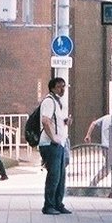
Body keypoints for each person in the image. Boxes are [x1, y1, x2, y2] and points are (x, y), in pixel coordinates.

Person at [38, 76, 70, 215]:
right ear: (52, 88)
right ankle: (49, 205)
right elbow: (45, 121)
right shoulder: (49, 102)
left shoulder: (58, 102)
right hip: (50, 144)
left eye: (64, 86)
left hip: (59, 143)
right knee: (54, 175)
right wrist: (54, 138)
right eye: (59, 86)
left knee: (61, 175)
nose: (62, 89)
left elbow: (55, 121)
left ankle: (58, 203)